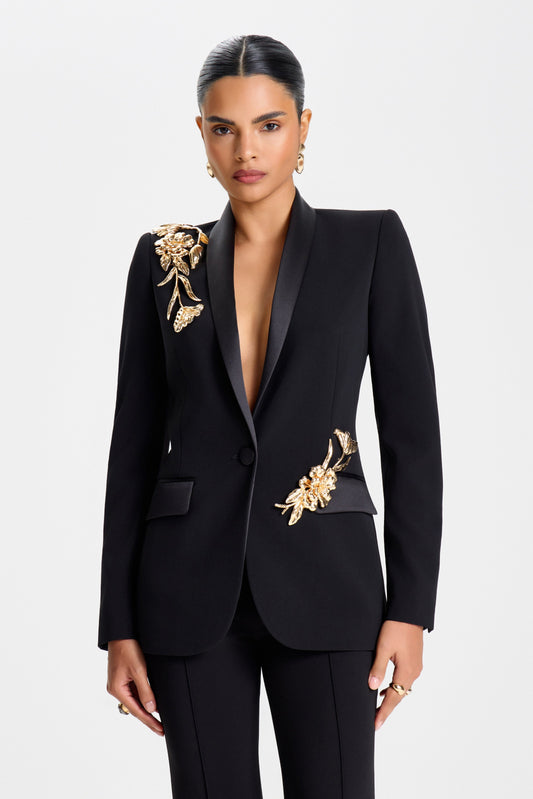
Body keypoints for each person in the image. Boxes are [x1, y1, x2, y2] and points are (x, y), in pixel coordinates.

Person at [97, 34, 443, 799]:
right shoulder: (164, 259)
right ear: (201, 134)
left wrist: (411, 609)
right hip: (185, 591)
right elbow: (132, 449)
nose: (245, 149)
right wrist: (117, 622)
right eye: (223, 128)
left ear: (303, 125)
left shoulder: (369, 244)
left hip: (331, 585)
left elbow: (413, 439)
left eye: (268, 125)